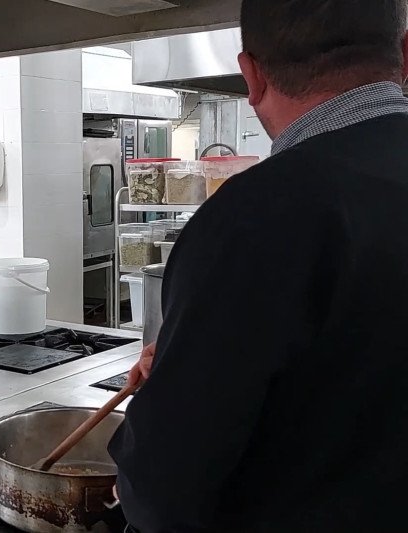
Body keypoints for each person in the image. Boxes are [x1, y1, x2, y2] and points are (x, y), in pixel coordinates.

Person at [109, 1, 408, 531]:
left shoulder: (252, 218)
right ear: (405, 55)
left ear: (251, 75)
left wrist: (164, 407)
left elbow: (164, 490)